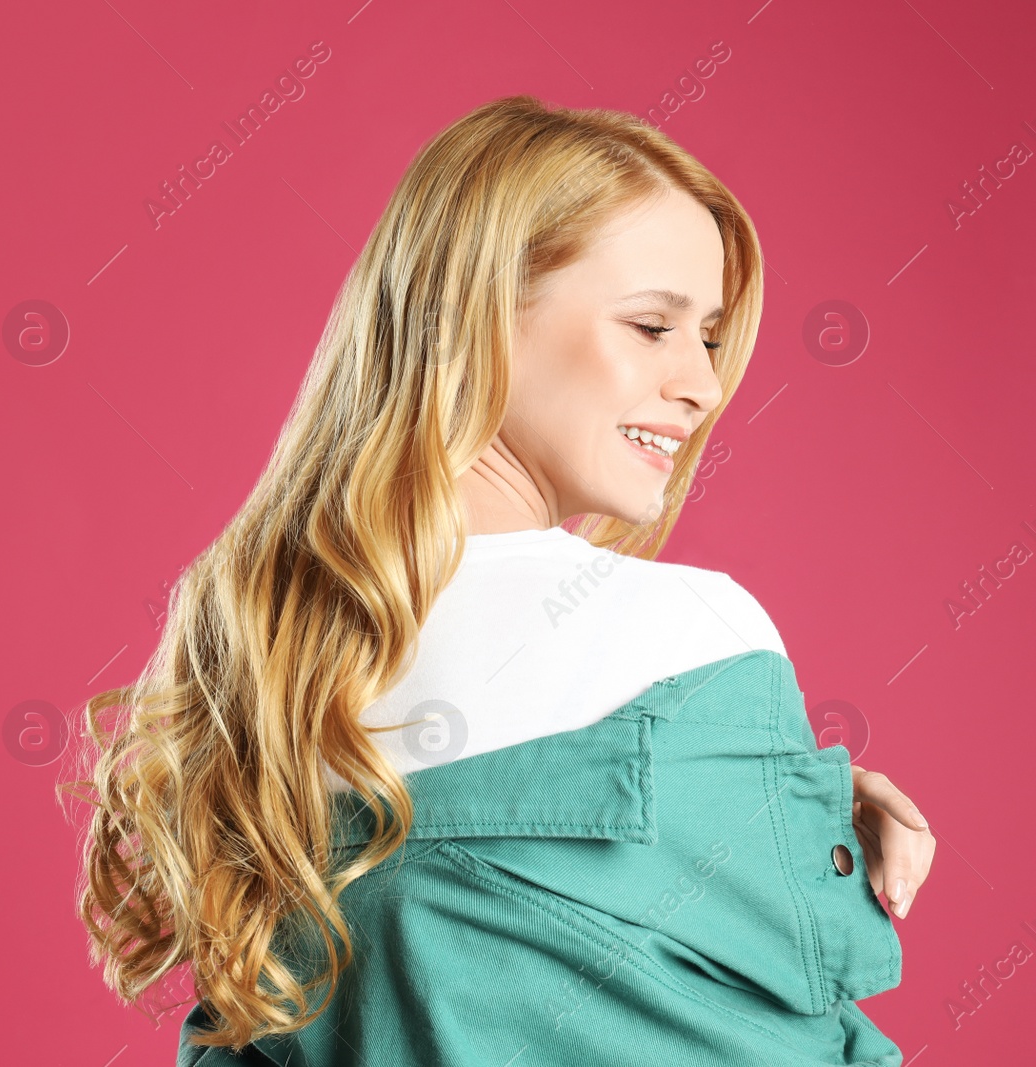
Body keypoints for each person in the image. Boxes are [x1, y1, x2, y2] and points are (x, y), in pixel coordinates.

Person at [59, 94, 935, 1065]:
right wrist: (800, 822)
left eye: (712, 337)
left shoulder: (255, 654)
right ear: (477, 314)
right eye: (652, 325)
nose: (704, 382)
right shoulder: (700, 634)